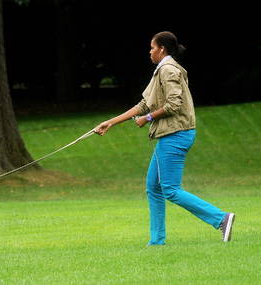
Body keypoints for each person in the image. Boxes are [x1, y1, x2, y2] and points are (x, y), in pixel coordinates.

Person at [94, 31, 235, 245]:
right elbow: (143, 104)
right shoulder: (161, 70)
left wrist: (147, 118)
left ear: (162, 49)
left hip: (177, 135)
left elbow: (173, 104)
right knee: (154, 187)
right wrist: (111, 122)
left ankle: (221, 218)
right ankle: (157, 241)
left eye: (152, 48)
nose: (149, 52)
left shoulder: (168, 70)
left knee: (170, 189)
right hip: (171, 134)